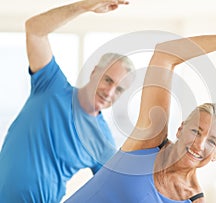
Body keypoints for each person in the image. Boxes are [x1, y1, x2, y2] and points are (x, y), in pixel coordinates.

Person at [65, 32, 216, 203]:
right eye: (196, 131)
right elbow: (164, 55)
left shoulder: (193, 199)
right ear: (180, 129)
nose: (199, 144)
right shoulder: (148, 143)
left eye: (211, 141)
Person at [0, 0, 134, 202]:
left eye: (119, 89)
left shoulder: (102, 141)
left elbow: (116, 190)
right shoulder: (51, 86)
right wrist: (84, 6)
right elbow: (34, 30)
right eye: (108, 80)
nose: (110, 91)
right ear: (94, 71)